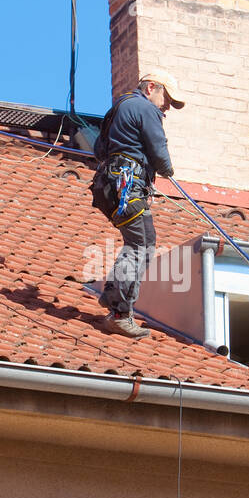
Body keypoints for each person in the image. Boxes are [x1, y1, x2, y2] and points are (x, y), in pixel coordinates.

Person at [90, 69, 185, 337]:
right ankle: (120, 314)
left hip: (108, 188)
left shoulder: (117, 109)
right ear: (151, 87)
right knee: (143, 244)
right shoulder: (145, 108)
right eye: (166, 98)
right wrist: (166, 170)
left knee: (136, 242)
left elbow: (99, 150)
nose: (167, 106)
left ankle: (112, 297)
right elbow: (158, 151)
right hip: (127, 187)